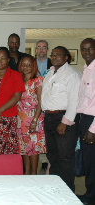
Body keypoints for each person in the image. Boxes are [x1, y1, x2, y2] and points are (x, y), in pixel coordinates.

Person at [41, 46, 81, 192]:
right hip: (49, 117)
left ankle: (68, 191)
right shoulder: (50, 72)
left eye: (59, 55)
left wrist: (65, 122)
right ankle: (55, 187)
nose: (55, 57)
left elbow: (75, 100)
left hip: (64, 118)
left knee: (65, 157)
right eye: (53, 54)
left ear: (66, 58)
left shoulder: (72, 74)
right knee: (52, 155)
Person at [17, 55, 46, 175]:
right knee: (24, 148)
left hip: (34, 119)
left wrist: (34, 120)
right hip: (21, 120)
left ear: (33, 66)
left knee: (33, 149)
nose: (25, 67)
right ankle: (27, 174)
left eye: (29, 65)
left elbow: (40, 102)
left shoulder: (38, 80)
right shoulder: (18, 79)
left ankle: (34, 174)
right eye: (23, 64)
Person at [76, 38, 95, 205]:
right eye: (83, 49)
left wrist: (93, 129)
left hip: (92, 121)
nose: (86, 52)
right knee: (89, 162)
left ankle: (91, 198)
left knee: (92, 162)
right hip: (85, 119)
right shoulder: (87, 68)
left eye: (90, 49)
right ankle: (90, 194)